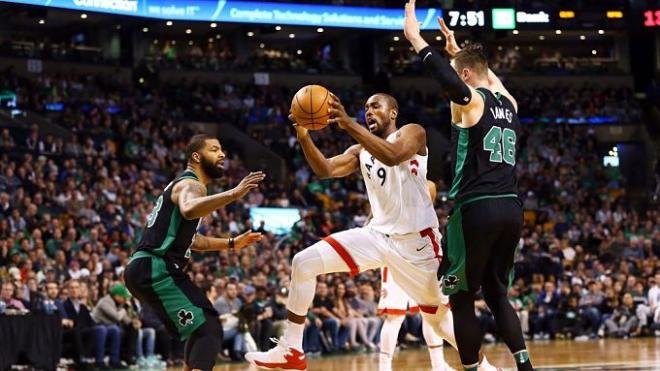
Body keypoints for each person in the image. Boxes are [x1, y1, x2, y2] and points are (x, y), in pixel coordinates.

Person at [246, 91, 462, 370]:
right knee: (303, 262)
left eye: (375, 106)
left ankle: (483, 366)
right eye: (365, 109)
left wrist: (348, 123)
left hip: (416, 244)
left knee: (439, 322)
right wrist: (303, 137)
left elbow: (394, 155)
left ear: (393, 112)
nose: (369, 112)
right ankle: (292, 349)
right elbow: (325, 169)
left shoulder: (412, 132)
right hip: (376, 236)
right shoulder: (360, 151)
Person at [404, 1, 532, 370]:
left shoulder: (471, 100)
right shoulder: (509, 103)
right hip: (512, 207)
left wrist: (416, 40)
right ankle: (525, 366)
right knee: (497, 293)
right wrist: (459, 52)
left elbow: (451, 81)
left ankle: (473, 370)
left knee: (461, 298)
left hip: (477, 207)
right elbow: (490, 78)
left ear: (464, 74)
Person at [124, 134, 265, 371]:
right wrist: (234, 194)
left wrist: (232, 243)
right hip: (155, 266)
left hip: (148, 268)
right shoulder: (191, 184)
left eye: (222, 150)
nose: (222, 154)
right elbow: (189, 209)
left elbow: (194, 241)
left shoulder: (186, 186)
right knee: (209, 327)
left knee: (201, 327)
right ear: (196, 157)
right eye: (214, 149)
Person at [378, 180, 449, 371]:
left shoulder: (426, 184)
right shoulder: (392, 180)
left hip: (419, 253)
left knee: (431, 313)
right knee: (395, 316)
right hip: (394, 252)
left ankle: (438, 365)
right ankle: (384, 367)